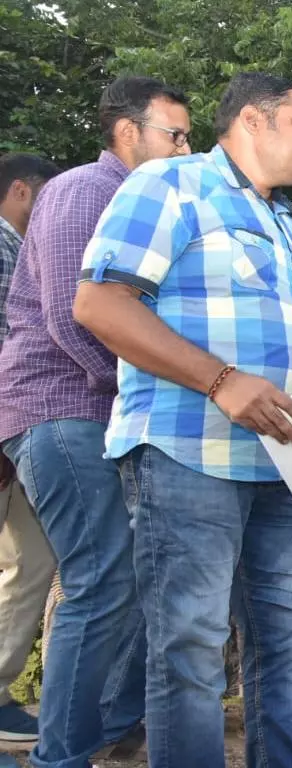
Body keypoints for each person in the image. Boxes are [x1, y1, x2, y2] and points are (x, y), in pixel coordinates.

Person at [73, 72, 292, 767]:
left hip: (284, 466)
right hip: (189, 455)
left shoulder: (284, 226)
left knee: (291, 638)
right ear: (254, 120)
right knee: (189, 643)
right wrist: (220, 380)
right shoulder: (172, 185)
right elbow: (98, 304)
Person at [0, 76, 190, 766]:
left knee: (134, 578)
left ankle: (104, 726)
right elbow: (72, 317)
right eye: (174, 134)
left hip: (96, 413)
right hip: (63, 405)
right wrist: (147, 387)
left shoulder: (142, 201)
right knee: (101, 579)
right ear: (126, 131)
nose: (184, 148)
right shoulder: (87, 190)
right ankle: (62, 754)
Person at [0, 151, 59, 744]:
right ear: (22, 190)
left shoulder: (19, 248)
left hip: (21, 427)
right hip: (10, 422)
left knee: (34, 561)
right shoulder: (2, 243)